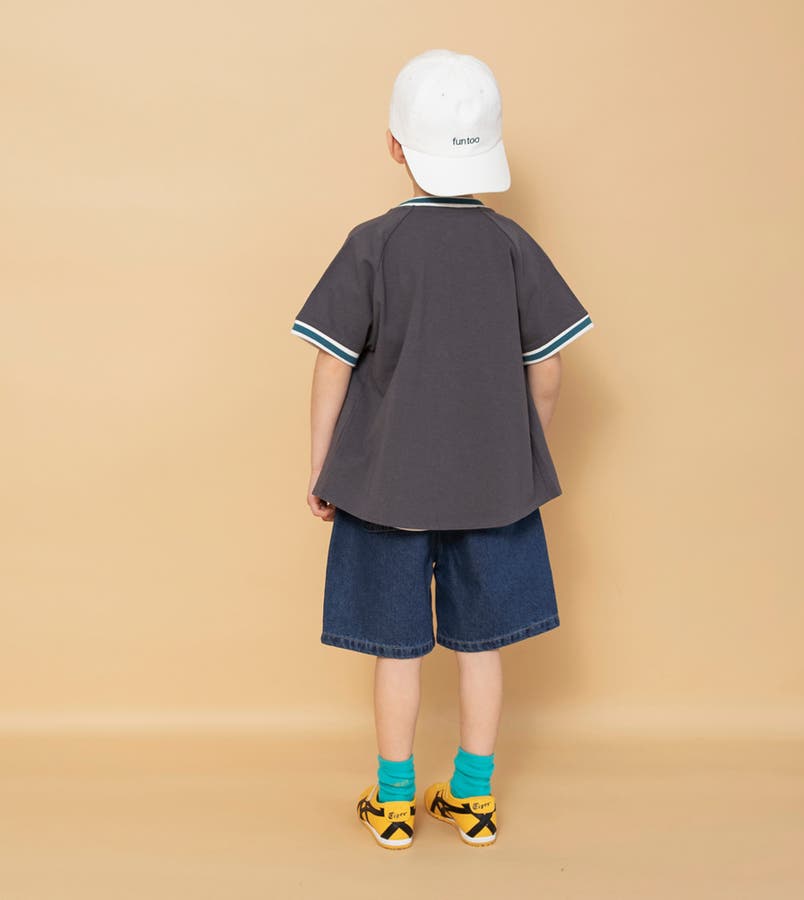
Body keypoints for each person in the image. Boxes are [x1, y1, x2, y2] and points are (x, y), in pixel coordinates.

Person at [290, 49, 594, 850]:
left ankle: (394, 805)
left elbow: (332, 361)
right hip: (495, 490)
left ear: (396, 145)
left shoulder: (374, 244)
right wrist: (523, 449)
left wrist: (322, 465)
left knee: (396, 648)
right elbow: (549, 366)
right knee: (481, 643)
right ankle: (473, 797)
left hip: (383, 487)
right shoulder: (512, 245)